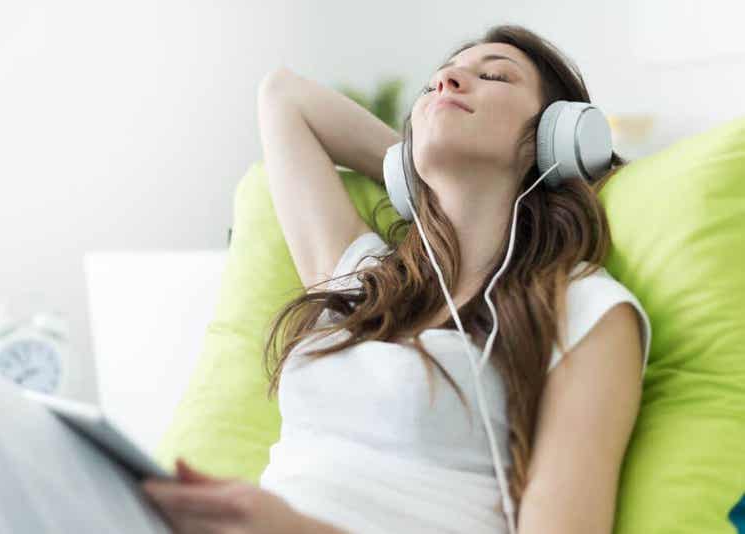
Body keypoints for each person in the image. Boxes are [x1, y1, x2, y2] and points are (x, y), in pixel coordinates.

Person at [256, 24, 651, 533]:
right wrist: (411, 169)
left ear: (558, 137)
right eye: (435, 83)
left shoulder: (585, 310)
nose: (447, 82)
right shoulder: (368, 277)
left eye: (494, 76)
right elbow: (282, 95)